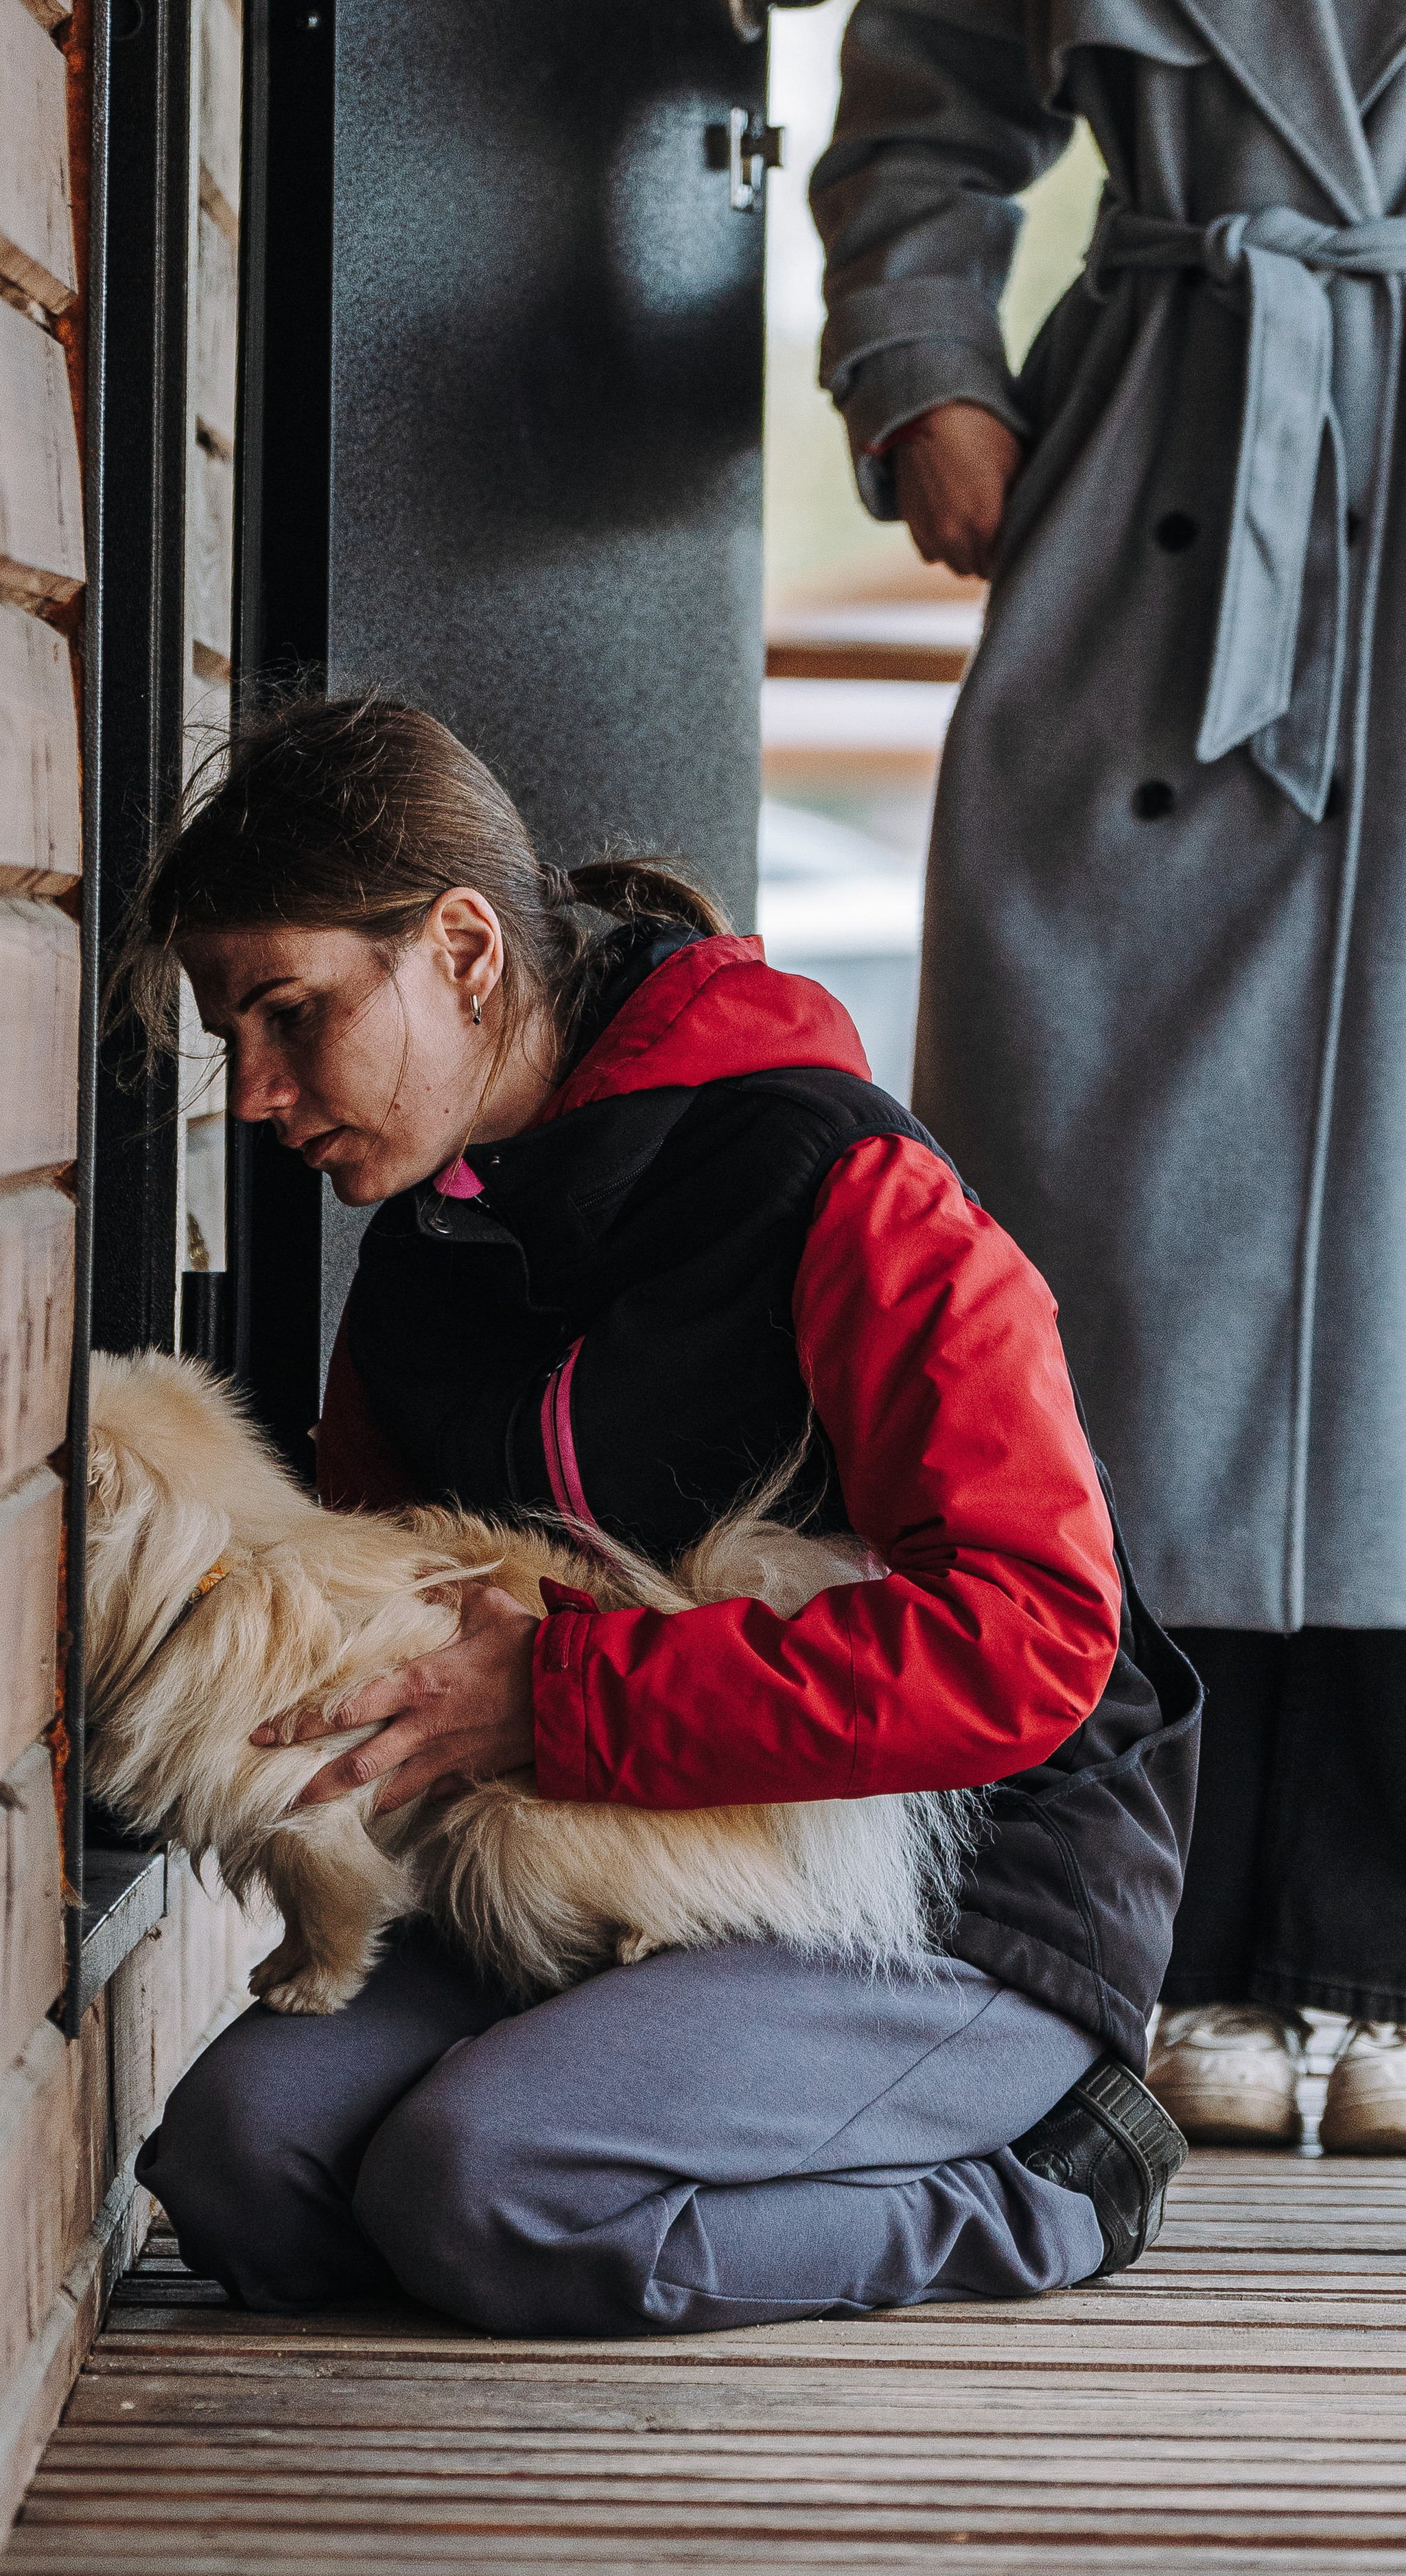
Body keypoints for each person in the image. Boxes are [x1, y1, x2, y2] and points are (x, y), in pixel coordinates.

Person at [123, 693, 1195, 2336]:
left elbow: (1037, 1640)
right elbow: (378, 1634)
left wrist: (555, 1698)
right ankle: (566, 2188)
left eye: (291, 1013)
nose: (256, 1090)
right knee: (239, 2156)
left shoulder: (842, 1182)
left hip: (953, 1890)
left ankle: (1044, 2177)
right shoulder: (421, 1267)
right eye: (228, 1037)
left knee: (485, 2179)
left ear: (464, 949)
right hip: (600, 1885)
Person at [809, 0, 1406, 2150]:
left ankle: (1371, 1949)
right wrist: (926, 380)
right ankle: (1134, 1930)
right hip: (1171, 496)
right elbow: (919, 102)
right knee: (1108, 1249)